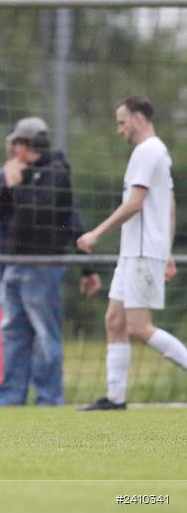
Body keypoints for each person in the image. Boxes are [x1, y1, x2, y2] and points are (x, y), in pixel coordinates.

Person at [77, 95, 187, 410]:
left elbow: (135, 204)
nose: (120, 129)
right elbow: (169, 205)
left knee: (139, 326)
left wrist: (96, 233)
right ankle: (115, 398)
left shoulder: (148, 151)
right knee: (114, 319)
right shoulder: (157, 152)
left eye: (122, 122)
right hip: (134, 252)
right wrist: (166, 251)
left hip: (141, 252)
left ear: (138, 119)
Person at [0, 117, 101, 406]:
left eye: (16, 143)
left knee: (44, 334)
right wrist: (7, 183)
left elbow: (43, 216)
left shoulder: (55, 173)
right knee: (13, 333)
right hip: (14, 264)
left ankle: (48, 398)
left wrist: (16, 185)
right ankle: (10, 396)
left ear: (27, 145)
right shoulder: (21, 172)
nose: (11, 149)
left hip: (42, 267)